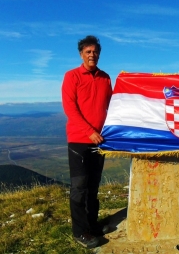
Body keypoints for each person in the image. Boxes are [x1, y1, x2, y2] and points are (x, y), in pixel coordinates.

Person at [62, 35, 113, 249]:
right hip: (79, 140)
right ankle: (80, 232)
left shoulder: (105, 78)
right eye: (88, 51)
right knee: (80, 187)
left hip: (99, 141)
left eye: (95, 51)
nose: (92, 54)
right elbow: (70, 109)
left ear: (99, 54)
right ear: (81, 54)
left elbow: (114, 105)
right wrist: (89, 131)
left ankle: (92, 224)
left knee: (93, 186)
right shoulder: (72, 76)